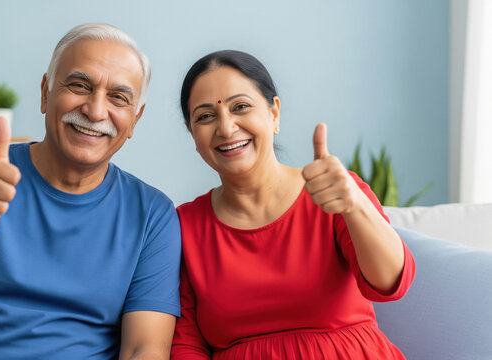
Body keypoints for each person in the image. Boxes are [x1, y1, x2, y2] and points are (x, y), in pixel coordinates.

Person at [0, 23, 181, 359]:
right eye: (79, 85)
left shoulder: (152, 215)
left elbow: (144, 349)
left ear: (135, 119)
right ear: (46, 92)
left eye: (118, 97)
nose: (95, 110)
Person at [171, 50, 415, 359]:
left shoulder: (335, 190)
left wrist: (354, 206)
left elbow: (391, 283)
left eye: (241, 107)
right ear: (193, 134)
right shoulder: (183, 226)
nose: (226, 127)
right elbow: (186, 344)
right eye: (205, 116)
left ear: (274, 114)